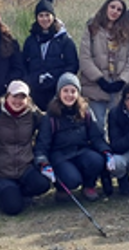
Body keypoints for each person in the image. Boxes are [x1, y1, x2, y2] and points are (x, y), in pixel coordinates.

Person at [0, 80, 51, 216]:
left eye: (22, 97)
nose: (18, 101)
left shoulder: (33, 113)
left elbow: (49, 122)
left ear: (28, 99)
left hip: (26, 168)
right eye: (15, 96)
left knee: (43, 184)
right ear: (7, 96)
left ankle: (20, 192)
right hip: (2, 173)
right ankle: (6, 194)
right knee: (13, 208)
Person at [34, 73, 111, 201]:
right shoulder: (50, 116)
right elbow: (42, 143)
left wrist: (106, 151)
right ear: (59, 92)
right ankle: (62, 188)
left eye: (73, 91)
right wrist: (43, 162)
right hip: (60, 156)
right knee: (72, 180)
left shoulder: (85, 111)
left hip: (81, 151)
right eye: (65, 91)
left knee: (97, 161)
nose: (69, 95)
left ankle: (89, 185)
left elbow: (96, 136)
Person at [79, 0, 129, 129]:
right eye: (112, 7)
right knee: (97, 123)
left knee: (118, 124)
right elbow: (85, 57)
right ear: (106, 7)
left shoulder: (127, 31)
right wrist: (99, 79)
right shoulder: (91, 28)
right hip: (96, 84)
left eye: (119, 10)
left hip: (118, 85)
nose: (115, 11)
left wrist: (123, 80)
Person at [23, 0, 79, 111]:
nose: (44, 19)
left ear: (53, 16)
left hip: (57, 92)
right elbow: (23, 64)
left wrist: (57, 80)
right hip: (35, 91)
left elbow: (72, 65)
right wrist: (32, 80)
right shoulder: (30, 40)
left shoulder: (65, 40)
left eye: (47, 15)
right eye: (41, 15)